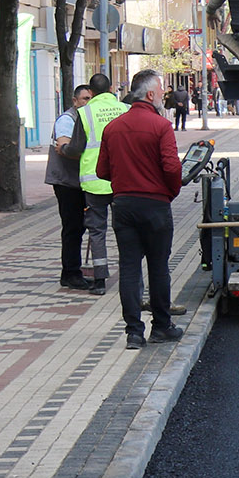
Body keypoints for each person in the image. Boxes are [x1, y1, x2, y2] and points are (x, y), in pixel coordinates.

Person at [96, 68, 184, 349]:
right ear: (149, 94)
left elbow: (101, 171)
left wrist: (125, 180)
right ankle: (161, 326)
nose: (162, 96)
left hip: (123, 204)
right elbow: (172, 167)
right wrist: (170, 191)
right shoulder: (161, 126)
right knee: (159, 267)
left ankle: (134, 332)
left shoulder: (113, 127)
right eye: (160, 91)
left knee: (129, 267)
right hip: (155, 205)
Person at [62, 72, 127, 294]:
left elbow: (76, 148)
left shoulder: (85, 112)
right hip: (122, 182)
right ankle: (130, 277)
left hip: (95, 182)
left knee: (97, 232)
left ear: (90, 92)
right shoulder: (125, 110)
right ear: (111, 89)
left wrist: (62, 148)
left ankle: (100, 281)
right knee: (125, 231)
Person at [45, 81, 95, 290]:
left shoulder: (87, 118)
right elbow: (64, 147)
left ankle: (74, 270)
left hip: (79, 181)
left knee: (79, 226)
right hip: (67, 182)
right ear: (75, 101)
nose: (88, 103)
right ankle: (70, 273)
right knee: (73, 227)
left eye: (91, 99)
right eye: (85, 99)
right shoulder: (67, 119)